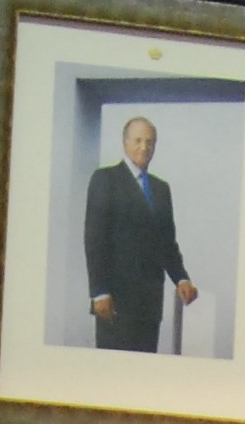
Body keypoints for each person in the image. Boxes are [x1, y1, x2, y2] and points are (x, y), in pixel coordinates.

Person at [84, 114, 198, 354]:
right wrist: (99, 292)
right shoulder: (105, 179)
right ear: (125, 142)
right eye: (137, 140)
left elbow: (167, 242)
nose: (144, 147)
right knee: (113, 370)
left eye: (149, 142)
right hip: (115, 302)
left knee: (144, 369)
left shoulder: (161, 189)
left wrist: (181, 278)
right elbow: (94, 238)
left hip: (150, 305)